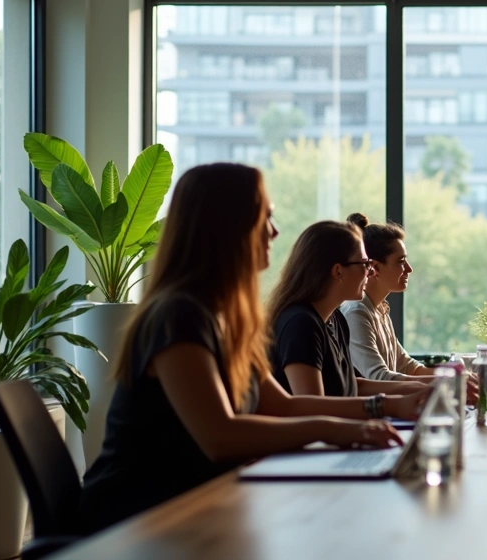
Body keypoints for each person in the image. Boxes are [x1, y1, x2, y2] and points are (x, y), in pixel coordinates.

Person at [80, 164, 404, 533]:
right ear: (228, 227)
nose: (275, 231)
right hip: (135, 521)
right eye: (265, 217)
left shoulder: (227, 317)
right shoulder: (178, 315)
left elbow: (282, 405)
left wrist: (382, 408)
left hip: (197, 505)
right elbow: (220, 437)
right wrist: (338, 428)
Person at [267, 219, 432, 410]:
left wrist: (425, 387)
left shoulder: (335, 319)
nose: (370, 271)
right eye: (364, 263)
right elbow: (315, 410)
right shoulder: (300, 325)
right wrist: (388, 406)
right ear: (338, 272)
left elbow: (354, 385)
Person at [343, 213, 439, 382]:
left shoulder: (379, 309)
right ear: (374, 267)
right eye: (401, 261)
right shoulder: (356, 312)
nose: (409, 269)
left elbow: (410, 367)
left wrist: (459, 375)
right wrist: (449, 381)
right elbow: (379, 377)